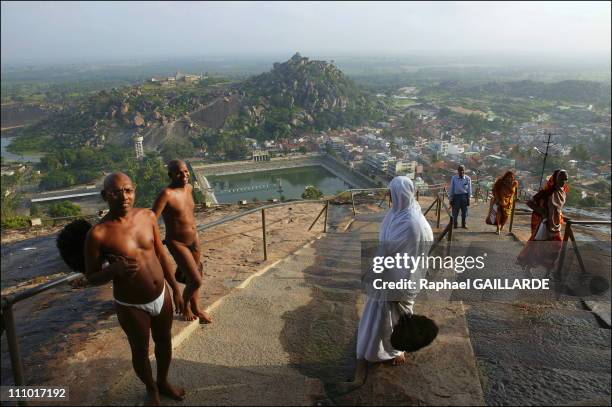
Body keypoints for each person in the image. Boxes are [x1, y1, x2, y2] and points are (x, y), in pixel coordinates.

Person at [83, 172, 186, 405]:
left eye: (128, 190)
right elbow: (92, 277)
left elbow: (160, 254)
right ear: (105, 195)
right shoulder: (97, 234)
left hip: (162, 294)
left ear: (134, 191)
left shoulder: (148, 216)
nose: (124, 196)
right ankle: (151, 389)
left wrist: (176, 289)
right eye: (116, 192)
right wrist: (113, 270)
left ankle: (163, 382)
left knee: (164, 342)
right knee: (140, 351)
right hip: (132, 304)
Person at [356, 176, 434, 365]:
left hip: (402, 278)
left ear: (399, 194)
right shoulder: (401, 214)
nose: (388, 196)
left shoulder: (410, 223)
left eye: (391, 193)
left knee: (394, 315)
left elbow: (390, 251)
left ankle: (396, 349)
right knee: (387, 314)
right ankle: (383, 347)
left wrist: (375, 271)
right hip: (396, 273)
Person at [153, 160, 211, 324]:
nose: (184, 175)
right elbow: (152, 218)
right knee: (195, 281)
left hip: (194, 240)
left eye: (186, 171)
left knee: (196, 274)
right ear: (170, 175)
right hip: (177, 242)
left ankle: (196, 307)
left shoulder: (190, 188)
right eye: (179, 172)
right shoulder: (166, 194)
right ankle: (184, 306)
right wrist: (155, 240)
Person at [517, 169, 569, 276]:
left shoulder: (563, 192)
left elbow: (558, 209)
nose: (563, 182)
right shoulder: (546, 192)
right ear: (555, 179)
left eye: (565, 180)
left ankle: (547, 273)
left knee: (555, 248)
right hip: (545, 225)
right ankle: (529, 268)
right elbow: (530, 203)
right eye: (561, 179)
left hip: (556, 225)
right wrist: (542, 212)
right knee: (538, 248)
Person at [490, 171, 519, 235]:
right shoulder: (500, 182)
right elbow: (494, 189)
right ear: (505, 177)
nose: (510, 178)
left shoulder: (514, 183)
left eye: (512, 177)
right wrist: (497, 198)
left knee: (506, 216)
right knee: (499, 213)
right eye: (509, 177)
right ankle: (498, 228)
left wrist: (516, 197)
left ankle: (501, 227)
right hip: (500, 200)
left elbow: (515, 192)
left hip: (509, 202)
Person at [448, 165, 472, 229]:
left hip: (464, 197)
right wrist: (451, 199)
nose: (461, 172)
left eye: (463, 170)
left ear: (464, 171)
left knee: (464, 212)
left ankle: (464, 224)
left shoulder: (468, 178)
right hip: (456, 197)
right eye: (460, 170)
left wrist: (469, 199)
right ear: (457, 171)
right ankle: (455, 224)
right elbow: (452, 189)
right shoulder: (454, 178)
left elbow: (469, 189)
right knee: (455, 212)